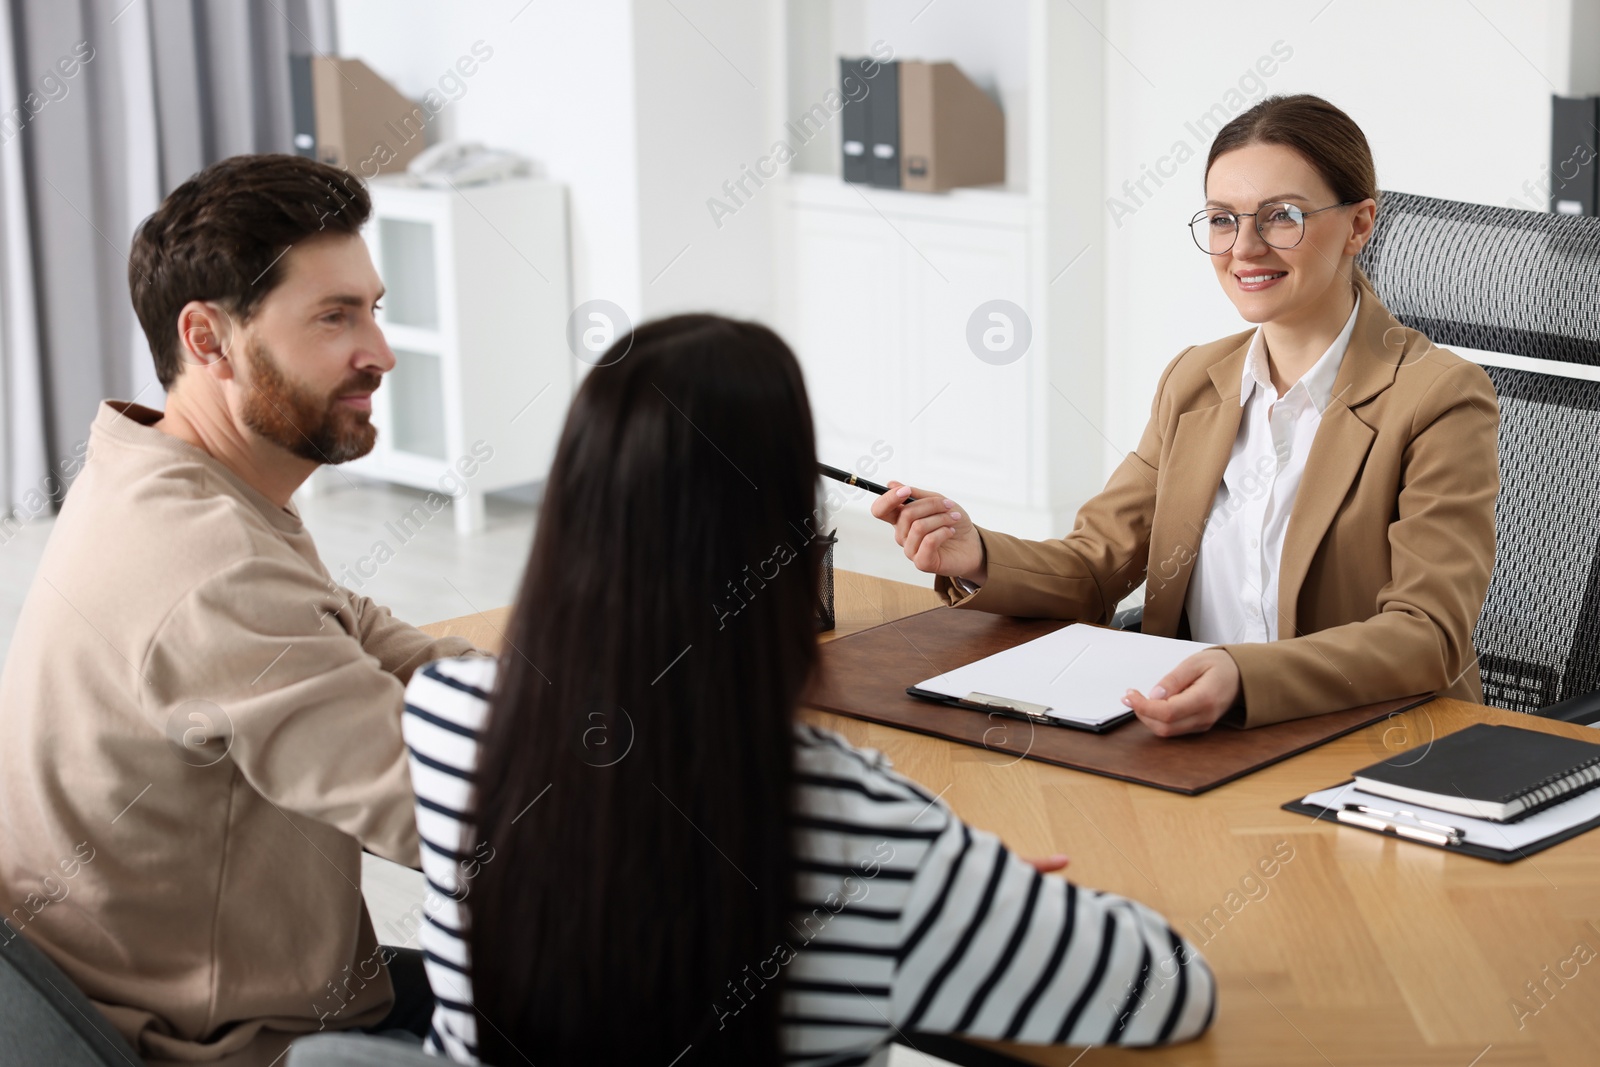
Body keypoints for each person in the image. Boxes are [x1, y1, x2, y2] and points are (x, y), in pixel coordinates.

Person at [399, 314, 1216, 1066]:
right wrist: (983, 892)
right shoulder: (869, 828)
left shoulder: (444, 719)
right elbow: (1169, 986)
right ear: (785, 548)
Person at [0, 154, 485, 1065]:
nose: (379, 351)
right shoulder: (206, 566)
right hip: (233, 1045)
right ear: (210, 339)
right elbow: (452, 818)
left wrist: (553, 682)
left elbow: (351, 625)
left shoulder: (158, 472)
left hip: (165, 992)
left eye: (372, 308)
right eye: (335, 317)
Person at [873, 94, 1499, 737]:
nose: (1245, 248)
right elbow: (1096, 566)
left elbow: (1429, 637)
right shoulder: (1195, 381)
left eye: (1282, 216)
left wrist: (1244, 676)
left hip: (1367, 747)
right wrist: (974, 553)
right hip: (1193, 737)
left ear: (1360, 225)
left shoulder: (1439, 398)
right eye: (1223, 220)